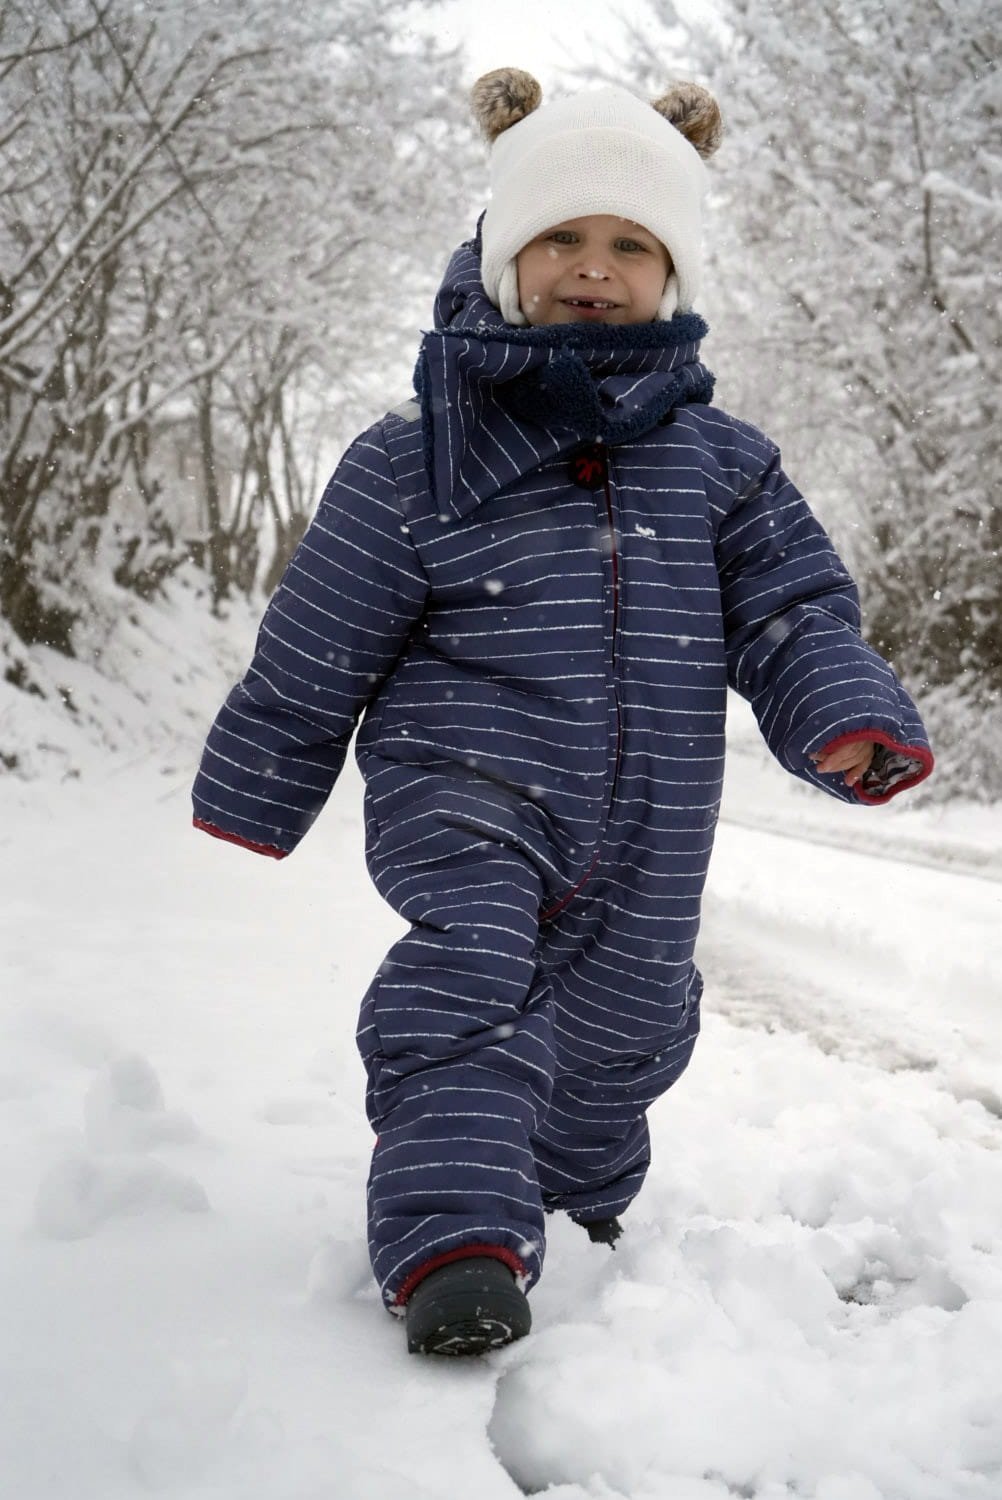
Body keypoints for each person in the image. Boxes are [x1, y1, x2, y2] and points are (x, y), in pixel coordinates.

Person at [191, 69, 934, 1356]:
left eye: (631, 244)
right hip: (466, 786)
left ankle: (577, 1206)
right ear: (503, 254)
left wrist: (841, 716)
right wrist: (262, 776)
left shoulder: (726, 465)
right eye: (562, 239)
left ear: (674, 274)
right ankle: (454, 1239)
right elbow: (322, 634)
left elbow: (791, 612)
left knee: (629, 1024)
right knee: (467, 981)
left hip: (653, 811)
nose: (594, 268)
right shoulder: (415, 452)